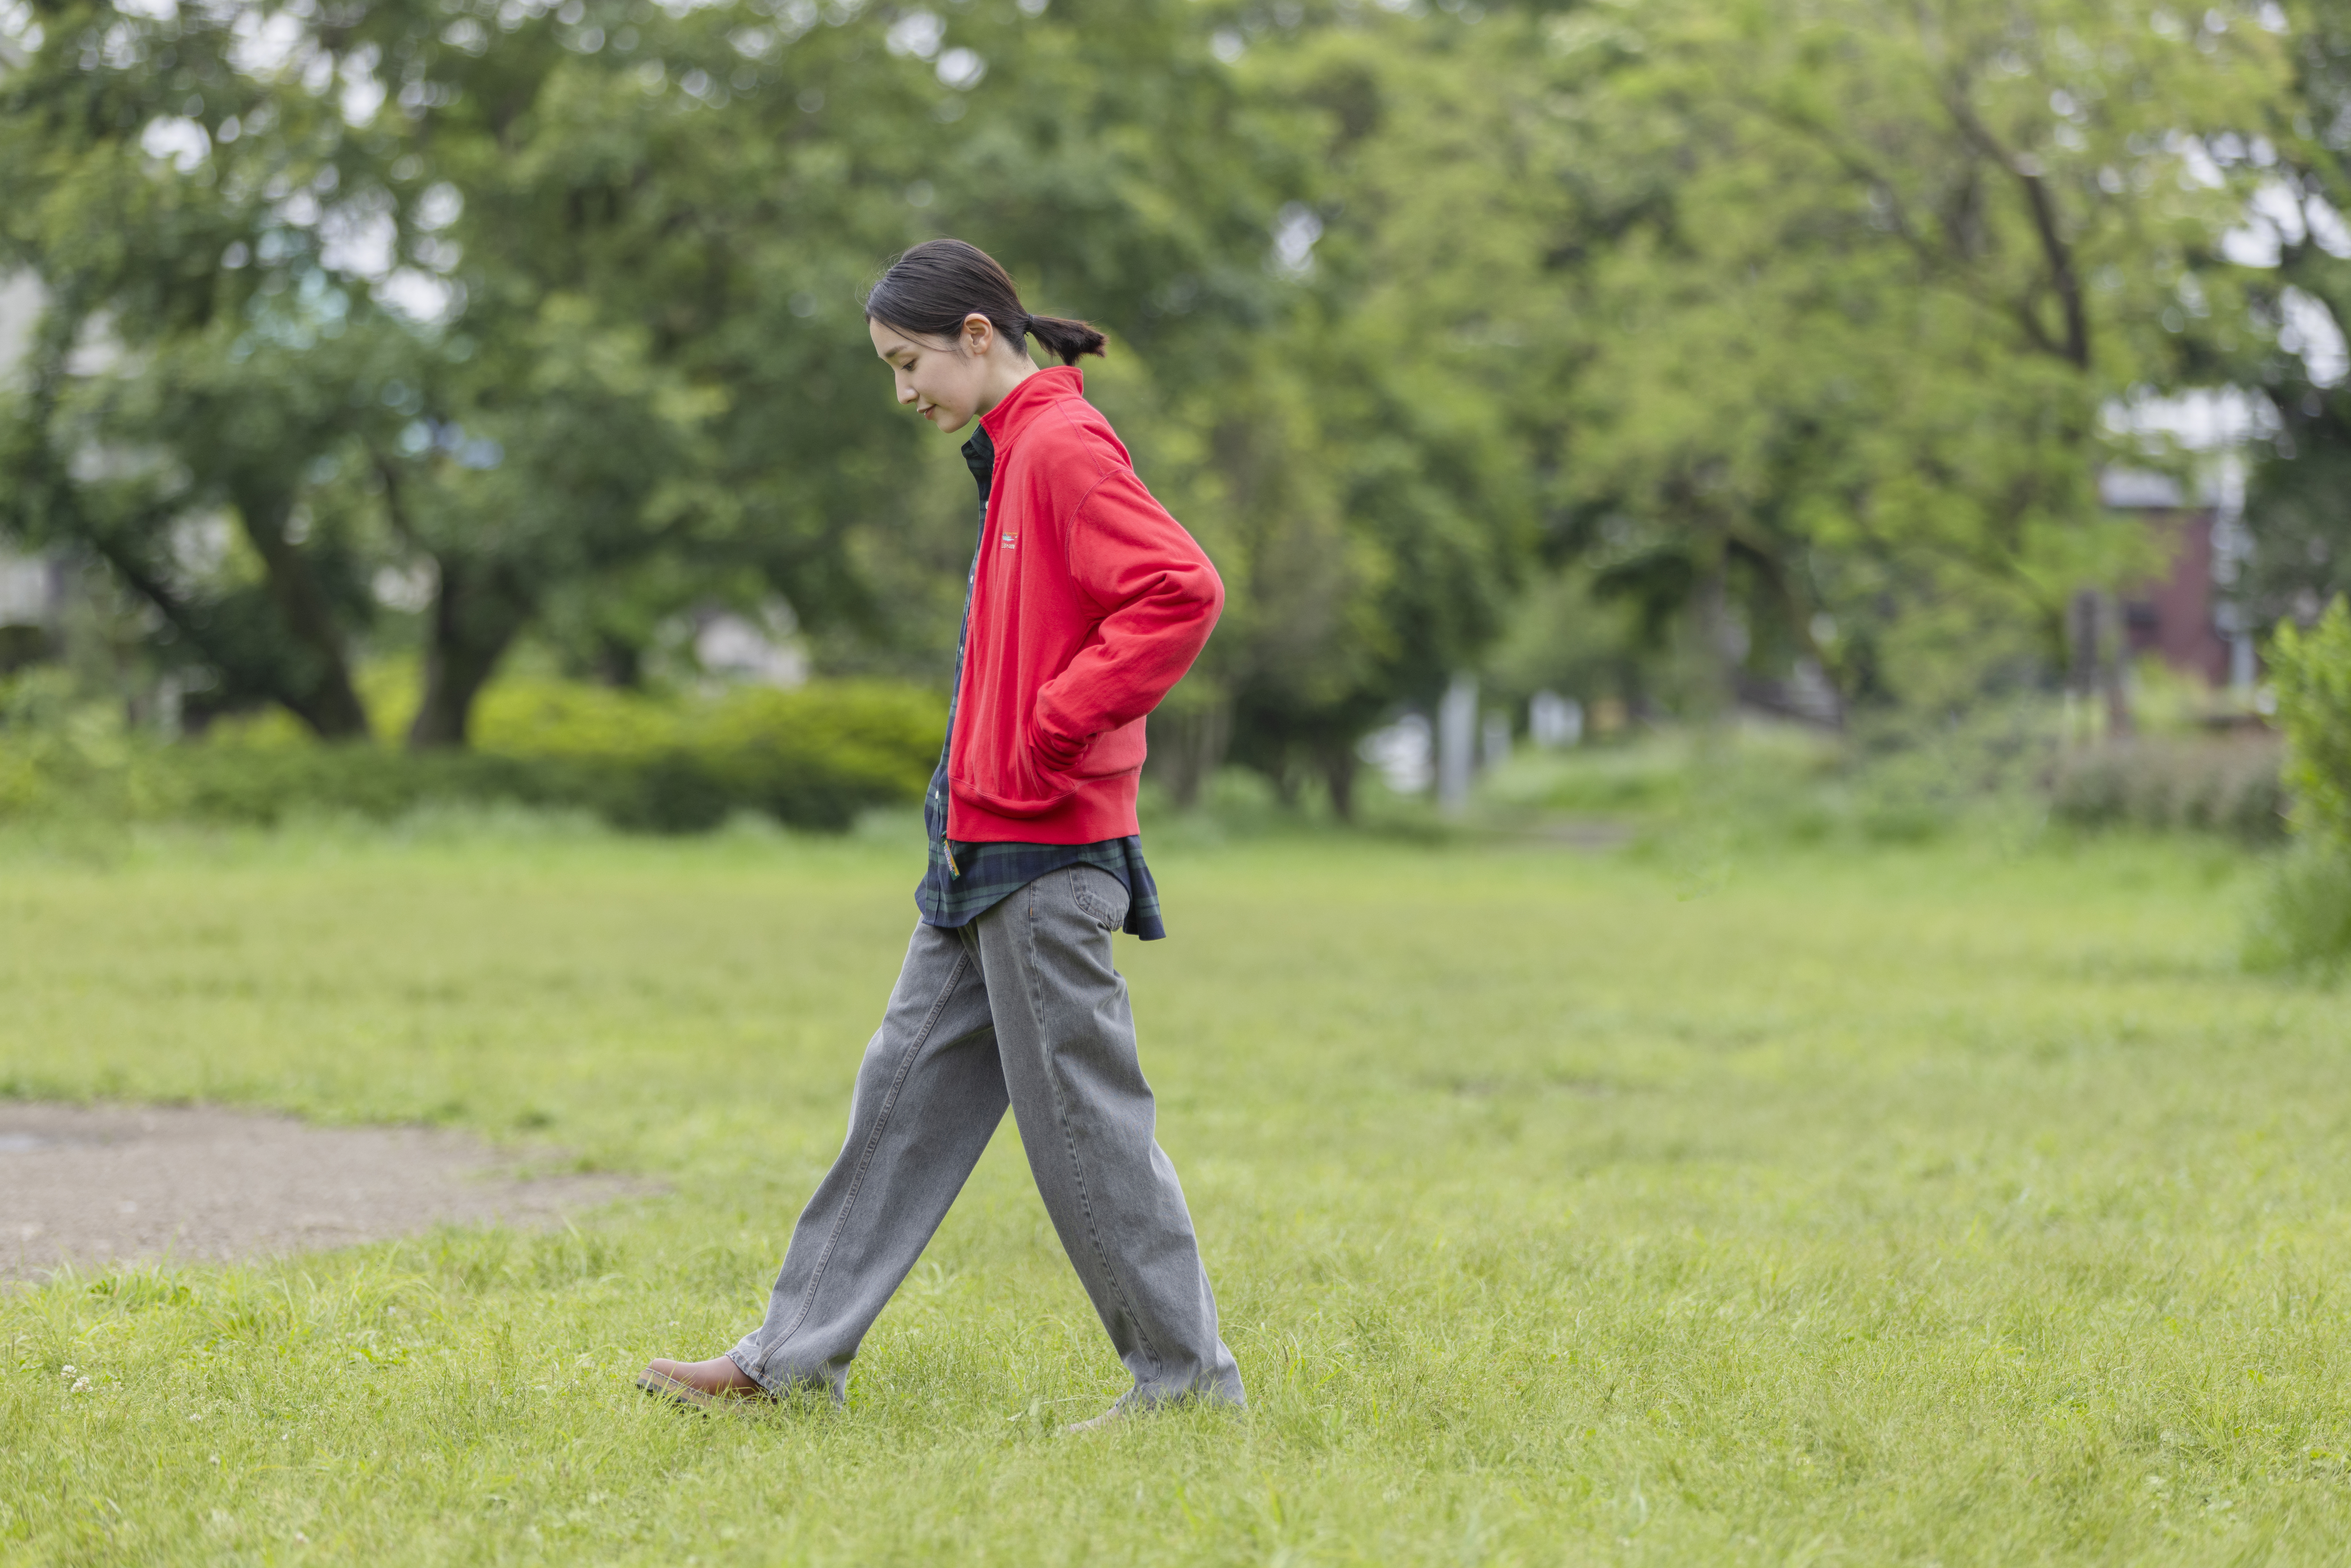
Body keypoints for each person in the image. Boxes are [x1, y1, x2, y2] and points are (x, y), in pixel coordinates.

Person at [637, 238, 1243, 1426]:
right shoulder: (1013, 455)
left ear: (977, 336)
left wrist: (1051, 728)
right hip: (972, 851)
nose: (902, 391)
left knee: (1084, 1122)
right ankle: (786, 1362)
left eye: (907, 361)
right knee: (900, 1099)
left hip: (1043, 852)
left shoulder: (1062, 446)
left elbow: (1181, 587)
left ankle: (1183, 1386)